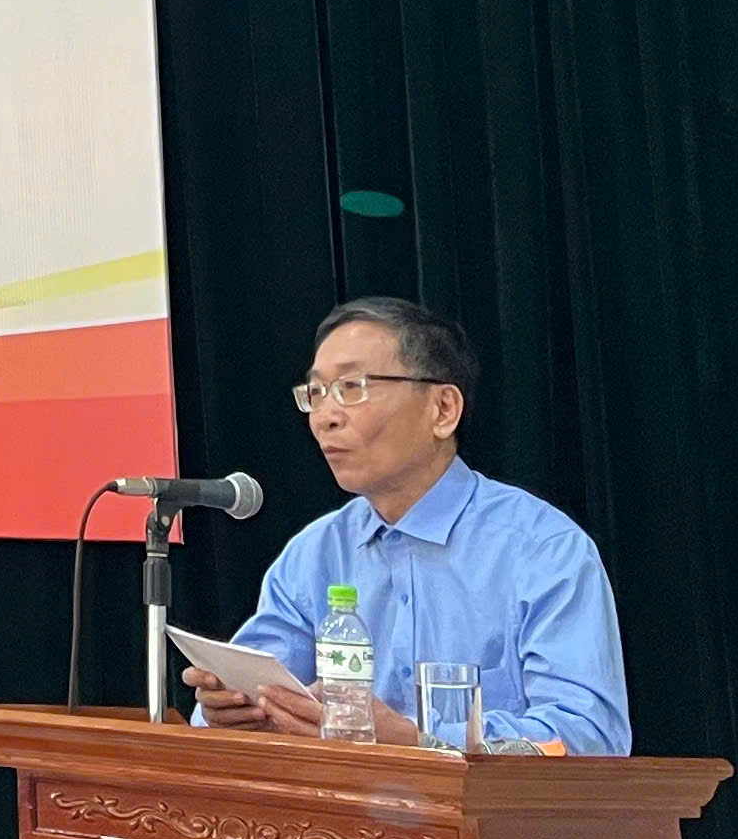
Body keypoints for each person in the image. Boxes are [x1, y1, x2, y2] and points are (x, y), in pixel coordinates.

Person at [184, 296, 632, 755]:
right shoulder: (314, 554)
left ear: (443, 409)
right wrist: (229, 711)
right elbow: (246, 688)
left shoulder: (542, 549)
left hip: (484, 804)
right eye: (316, 393)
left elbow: (591, 736)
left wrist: (420, 741)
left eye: (352, 387)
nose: (325, 417)